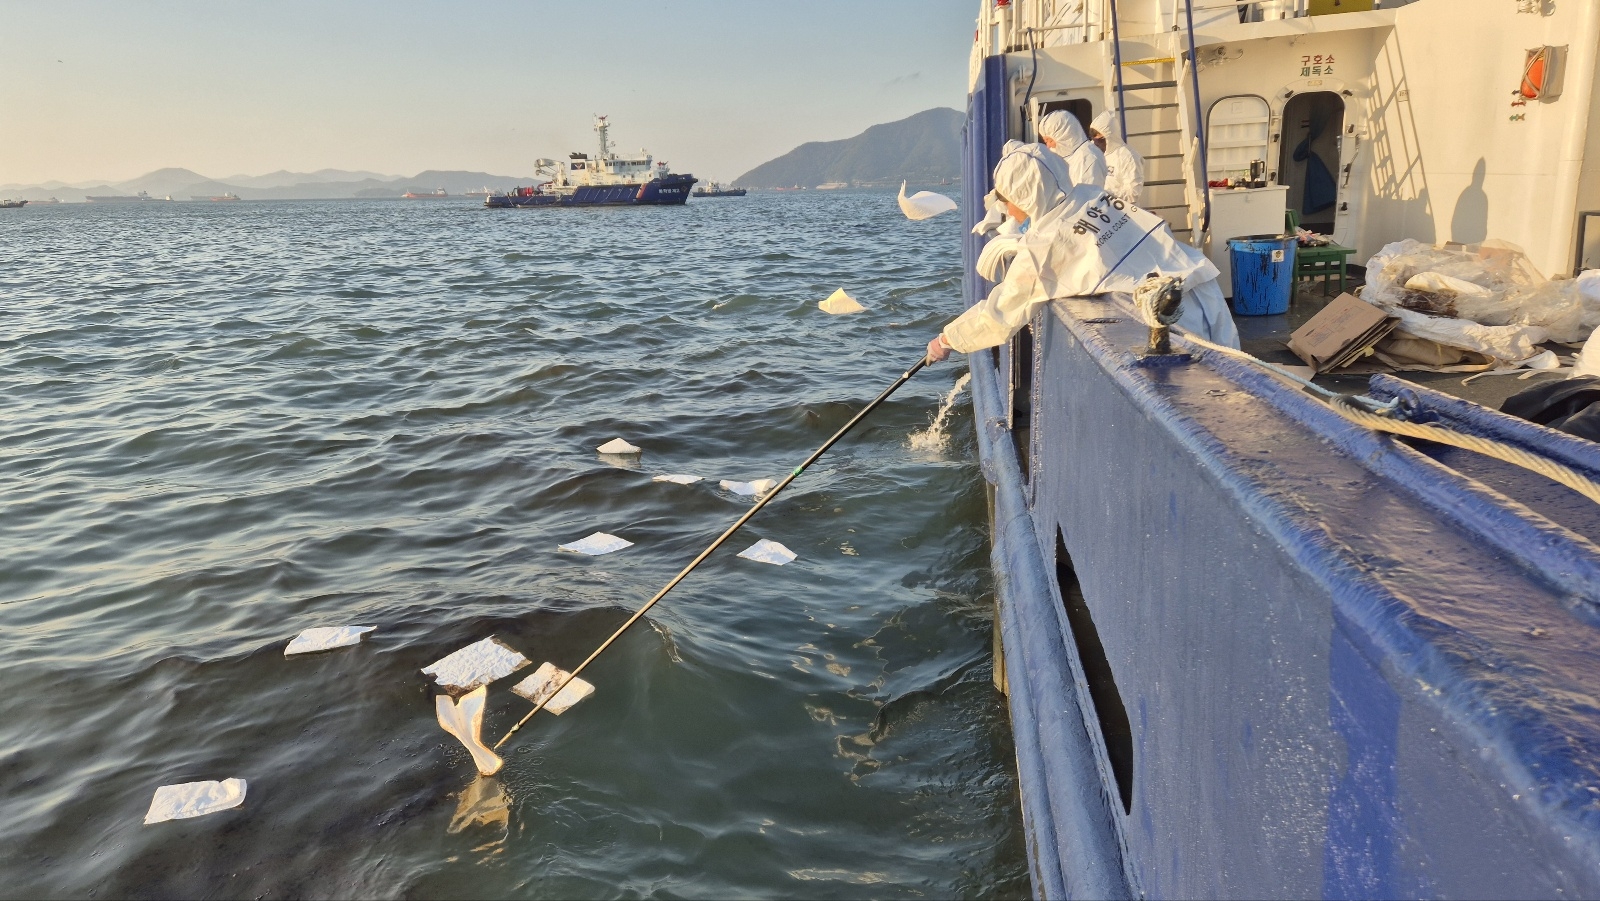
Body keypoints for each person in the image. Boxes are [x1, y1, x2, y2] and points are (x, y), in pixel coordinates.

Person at [927, 149, 1239, 363]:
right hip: (1203, 291)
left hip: (1172, 322)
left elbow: (1001, 313)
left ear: (1025, 196)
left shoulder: (1042, 247)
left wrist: (946, 341)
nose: (1006, 209)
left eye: (1006, 200)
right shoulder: (1091, 196)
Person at [1037, 110, 1108, 193]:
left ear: (1064, 137)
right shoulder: (1070, 155)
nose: (1048, 146)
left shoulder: (1087, 159)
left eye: (1050, 141)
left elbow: (1087, 198)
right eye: (1046, 141)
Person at [1089, 110, 1146, 208]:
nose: (1096, 143)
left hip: (1124, 213)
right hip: (1101, 210)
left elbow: (1133, 192)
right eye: (1094, 139)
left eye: (1100, 140)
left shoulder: (1128, 157)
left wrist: (1105, 194)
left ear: (1110, 137)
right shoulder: (1092, 151)